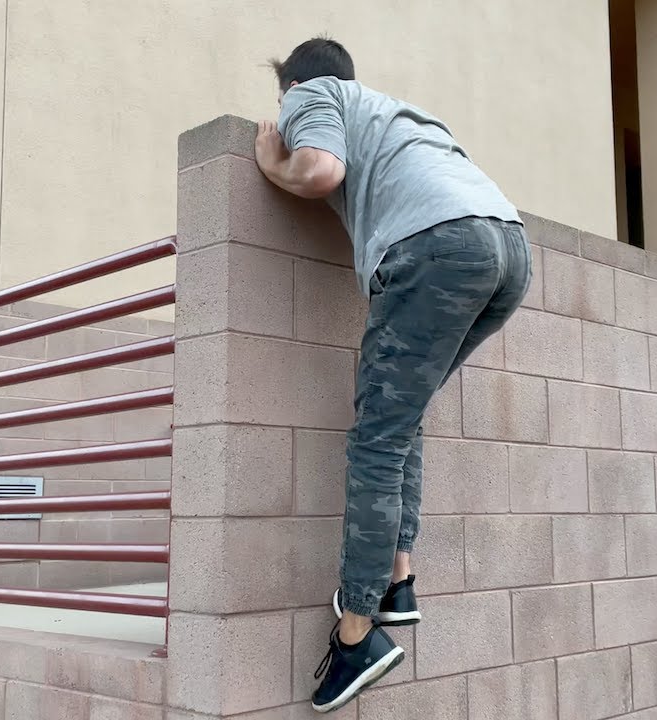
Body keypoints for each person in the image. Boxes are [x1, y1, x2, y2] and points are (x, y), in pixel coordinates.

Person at [254, 36, 531, 714]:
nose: (286, 115)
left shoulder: (312, 97)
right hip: (508, 249)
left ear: (293, 87)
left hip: (438, 246)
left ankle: (357, 635)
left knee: (376, 437)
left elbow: (318, 172)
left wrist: (272, 159)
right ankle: (399, 582)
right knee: (401, 420)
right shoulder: (401, 115)